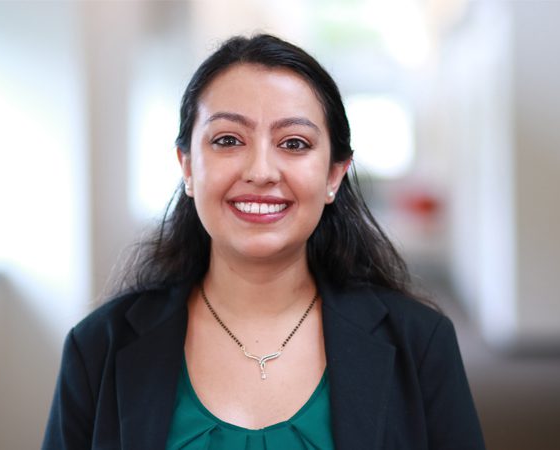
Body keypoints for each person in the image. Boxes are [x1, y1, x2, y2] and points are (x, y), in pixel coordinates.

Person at [42, 34, 485, 450]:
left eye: (294, 143)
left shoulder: (421, 343)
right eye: (228, 140)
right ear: (188, 167)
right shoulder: (98, 347)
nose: (260, 171)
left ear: (334, 175)